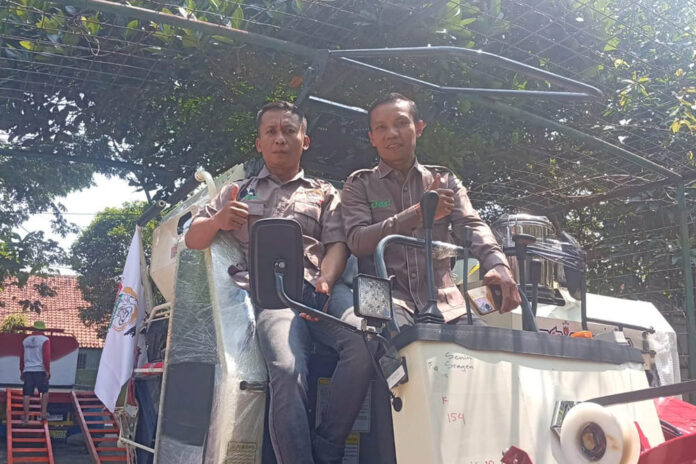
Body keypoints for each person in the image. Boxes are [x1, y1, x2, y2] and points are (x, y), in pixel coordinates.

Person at [185, 101, 373, 464]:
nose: (280, 139)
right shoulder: (236, 191)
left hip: (322, 290)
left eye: (289, 131)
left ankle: (328, 448)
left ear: (305, 140)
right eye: (271, 132)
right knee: (286, 370)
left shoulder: (324, 192)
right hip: (273, 297)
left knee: (365, 343)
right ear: (259, 143)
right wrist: (219, 220)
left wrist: (326, 280)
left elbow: (338, 245)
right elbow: (193, 239)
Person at [341, 93, 521, 328]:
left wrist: (498, 264)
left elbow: (471, 224)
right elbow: (357, 241)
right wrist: (417, 215)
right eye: (381, 127)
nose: (391, 133)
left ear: (419, 128)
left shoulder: (445, 180)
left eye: (401, 123)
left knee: (482, 344)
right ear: (372, 138)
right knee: (394, 344)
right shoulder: (359, 184)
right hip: (382, 299)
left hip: (447, 302)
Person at [19, 321, 51, 424]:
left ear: (34, 329)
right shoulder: (45, 340)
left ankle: (26, 417)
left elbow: (22, 357)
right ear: (43, 330)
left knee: (26, 393)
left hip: (28, 370)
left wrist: (22, 371)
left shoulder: (25, 341)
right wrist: (47, 370)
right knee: (44, 391)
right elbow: (46, 357)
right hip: (40, 370)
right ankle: (43, 413)